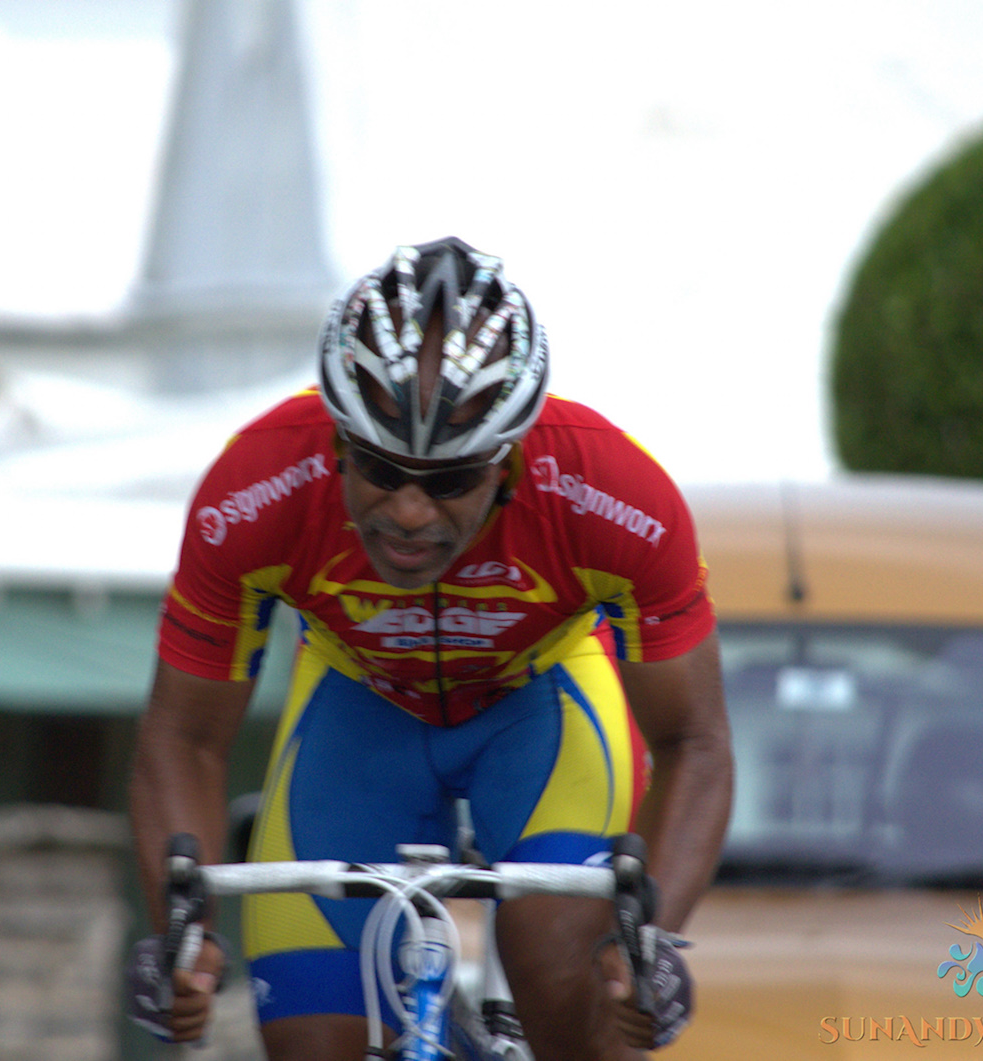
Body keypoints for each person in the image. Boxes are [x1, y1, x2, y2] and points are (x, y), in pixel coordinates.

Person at [128, 236, 732, 1060]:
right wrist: (183, 934)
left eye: (450, 482)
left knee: (582, 997)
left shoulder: (609, 494)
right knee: (313, 1043)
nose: (411, 512)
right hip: (356, 708)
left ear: (509, 464)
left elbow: (695, 740)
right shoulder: (257, 487)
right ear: (337, 440)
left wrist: (650, 945)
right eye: (379, 467)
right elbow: (183, 736)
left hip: (539, 706)